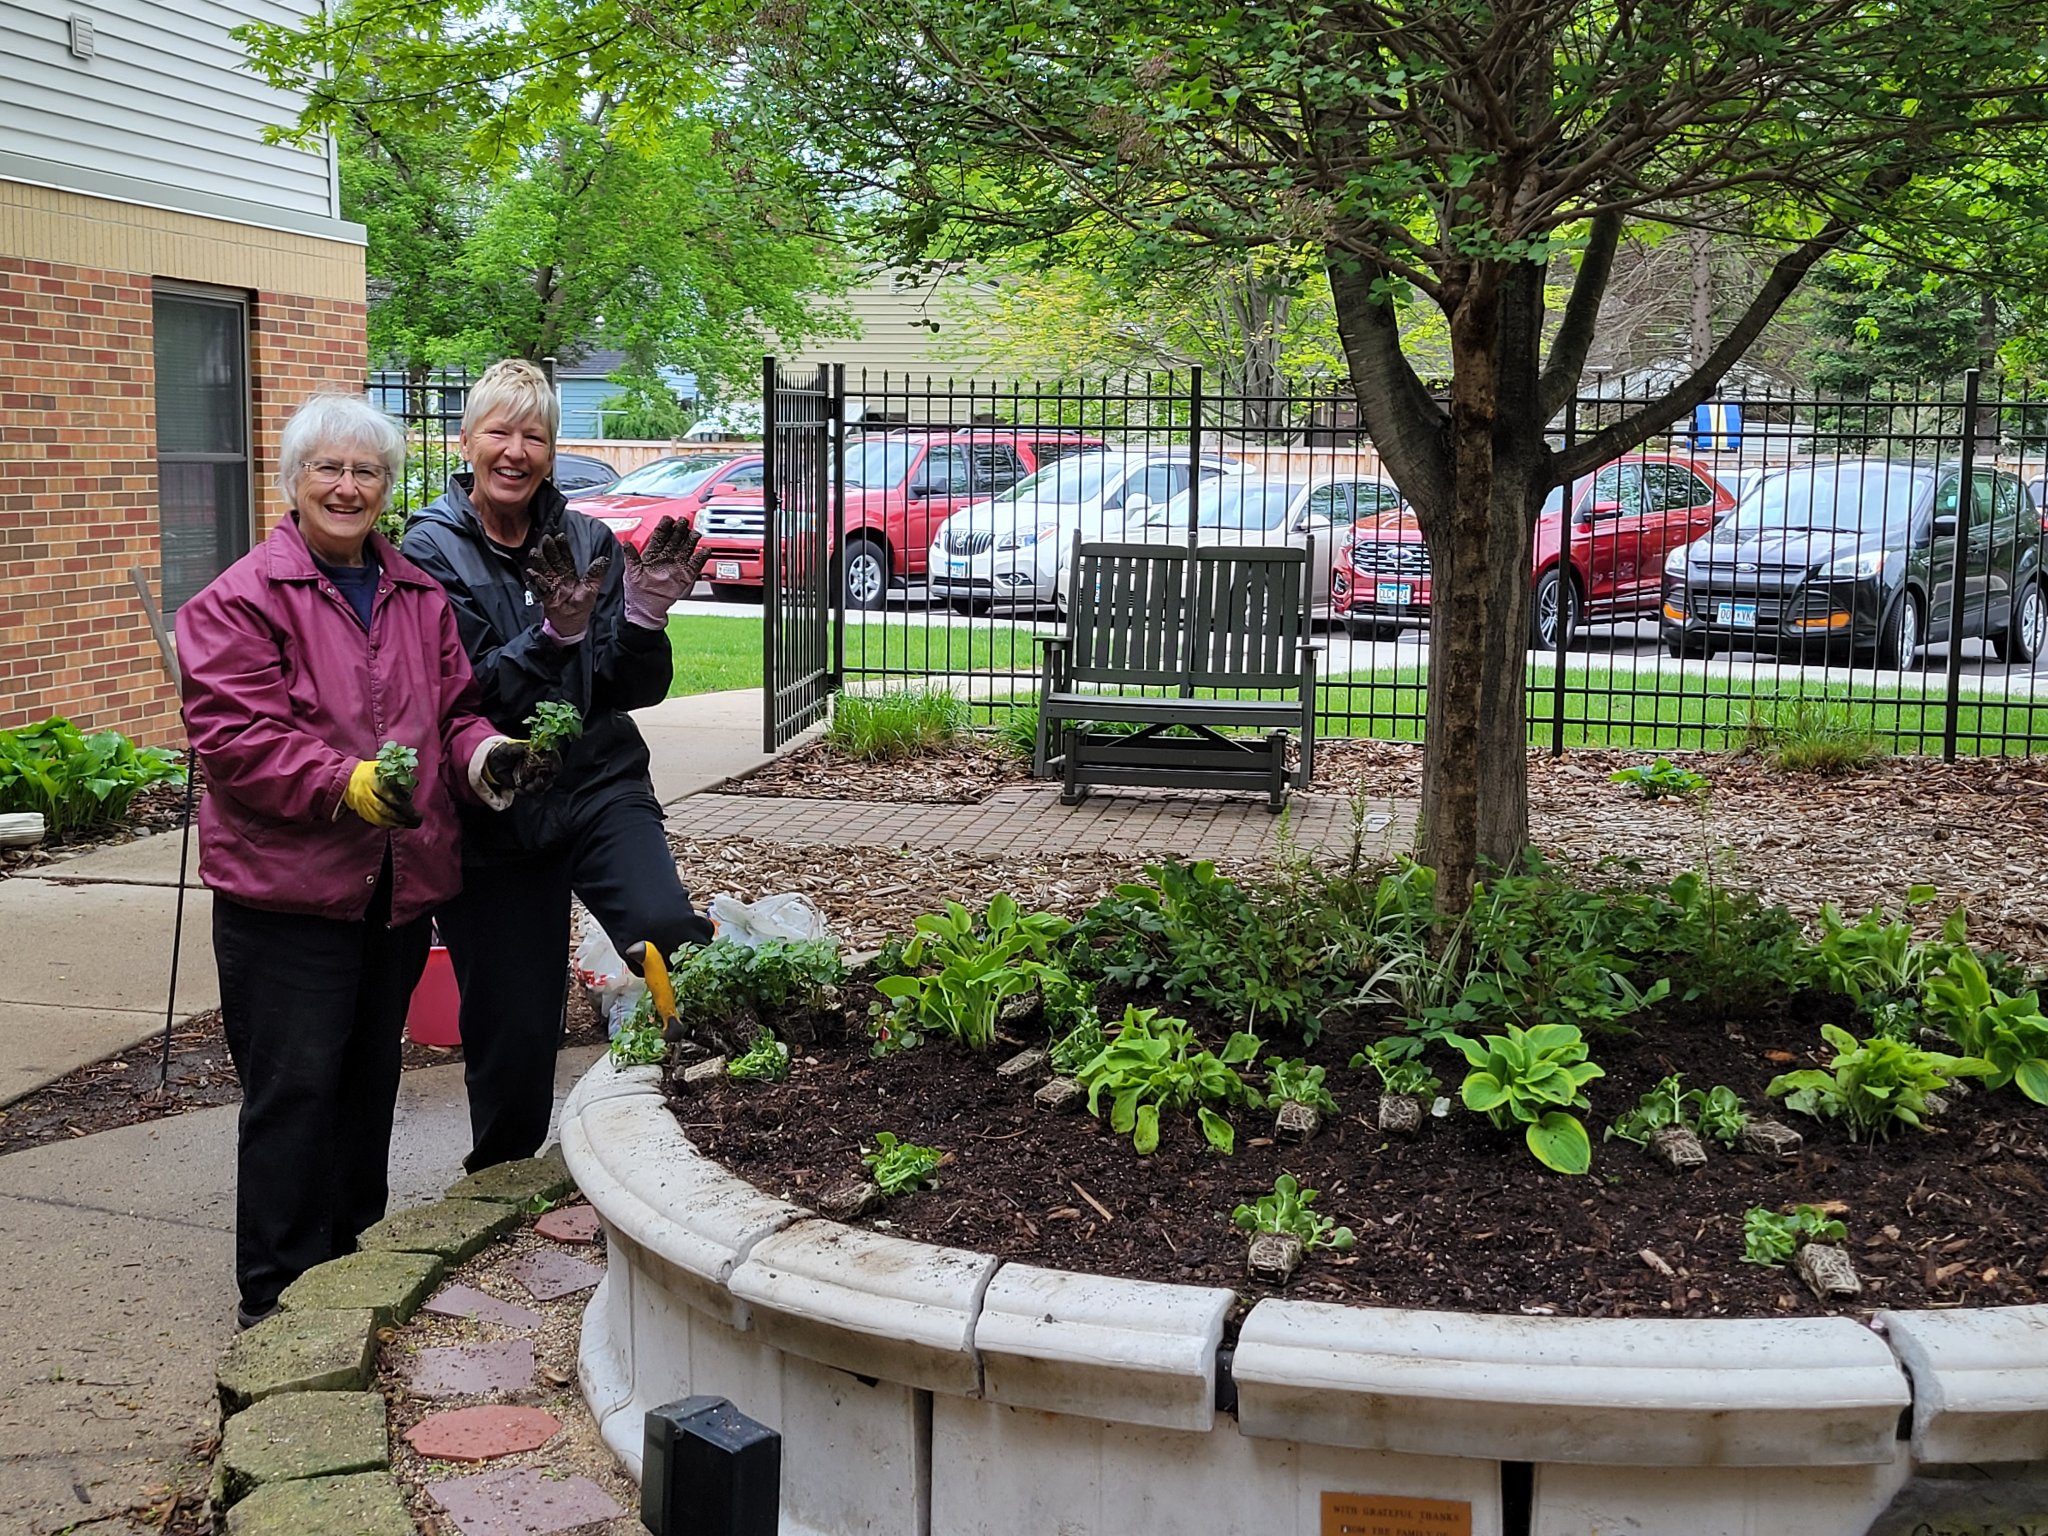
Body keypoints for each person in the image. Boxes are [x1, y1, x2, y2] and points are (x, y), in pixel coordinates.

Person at [178, 394, 553, 1329]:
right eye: (328, 470)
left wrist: (480, 755)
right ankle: (274, 1304)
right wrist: (342, 782)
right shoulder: (240, 601)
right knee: (293, 1094)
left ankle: (347, 1274)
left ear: (389, 486)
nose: (348, 487)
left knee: (363, 1087)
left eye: (367, 472)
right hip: (287, 901)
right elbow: (235, 738)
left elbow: (453, 708)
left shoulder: (415, 595)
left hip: (395, 891)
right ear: (293, 481)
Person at [403, 359, 714, 1173]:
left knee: (665, 935)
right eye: (498, 432)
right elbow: (463, 695)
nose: (515, 450)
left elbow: (626, 687)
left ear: (551, 447)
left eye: (532, 434)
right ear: (467, 441)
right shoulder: (429, 550)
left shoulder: (588, 540)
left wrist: (642, 616)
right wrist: (552, 638)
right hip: (496, 808)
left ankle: (712, 1111)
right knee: (516, 1024)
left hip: (597, 783)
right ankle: (502, 1182)